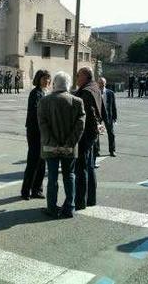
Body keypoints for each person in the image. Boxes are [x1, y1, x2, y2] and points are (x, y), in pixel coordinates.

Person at [37, 71, 86, 219]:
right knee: (69, 176)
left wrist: (52, 142)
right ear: (68, 84)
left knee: (52, 178)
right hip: (69, 147)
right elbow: (80, 125)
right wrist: (69, 142)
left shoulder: (44, 101)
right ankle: (69, 208)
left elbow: (42, 125)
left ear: (54, 84)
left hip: (50, 146)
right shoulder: (77, 101)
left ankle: (51, 207)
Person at [20, 69, 51, 200]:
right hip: (34, 131)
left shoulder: (46, 93)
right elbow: (36, 112)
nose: (47, 81)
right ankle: (26, 190)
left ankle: (37, 190)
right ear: (38, 79)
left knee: (42, 161)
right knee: (33, 161)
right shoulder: (36, 93)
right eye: (44, 78)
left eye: (48, 78)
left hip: (43, 131)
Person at [74, 67, 101, 209]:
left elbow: (87, 114)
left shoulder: (86, 91)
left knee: (82, 168)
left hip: (85, 134)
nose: (76, 77)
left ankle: (80, 201)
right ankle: (91, 199)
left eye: (78, 75)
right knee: (89, 167)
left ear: (85, 76)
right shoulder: (94, 87)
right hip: (92, 133)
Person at [98, 77, 117, 157]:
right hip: (98, 115)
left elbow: (113, 106)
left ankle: (112, 150)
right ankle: (97, 151)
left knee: (111, 133)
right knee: (96, 134)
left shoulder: (110, 93)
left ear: (105, 83)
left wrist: (114, 117)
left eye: (102, 83)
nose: (101, 84)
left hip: (108, 115)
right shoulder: (96, 92)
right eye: (100, 83)